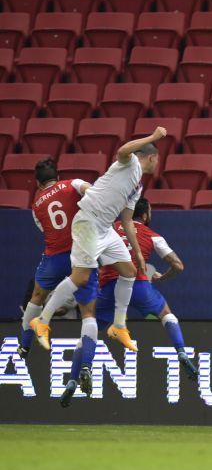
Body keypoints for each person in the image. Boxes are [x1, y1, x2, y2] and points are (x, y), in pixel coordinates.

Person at [30, 127, 166, 396]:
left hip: (106, 229)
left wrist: (137, 252)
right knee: (80, 277)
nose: (158, 163)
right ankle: (42, 320)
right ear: (150, 157)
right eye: (157, 157)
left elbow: (126, 220)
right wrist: (153, 137)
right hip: (88, 222)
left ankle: (118, 326)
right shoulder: (127, 164)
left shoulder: (137, 186)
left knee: (128, 271)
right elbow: (123, 150)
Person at [60, 197, 197, 407]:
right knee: (166, 313)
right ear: (146, 214)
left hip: (108, 289)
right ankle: (181, 351)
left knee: (89, 331)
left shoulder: (107, 228)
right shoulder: (152, 236)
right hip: (139, 286)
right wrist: (162, 277)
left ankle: (74, 378)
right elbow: (178, 265)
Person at [17, 157, 93, 360]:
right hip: (78, 255)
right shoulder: (72, 184)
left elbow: (45, 229)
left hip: (53, 257)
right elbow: (91, 191)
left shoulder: (36, 206)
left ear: (38, 183)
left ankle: (24, 345)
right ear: (58, 177)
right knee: (87, 310)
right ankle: (85, 361)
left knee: (36, 297)